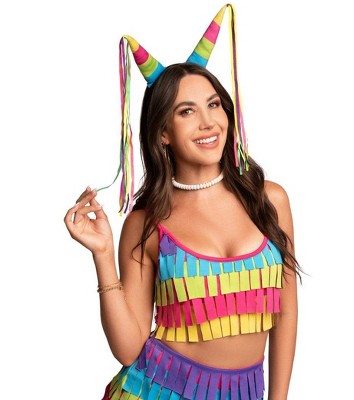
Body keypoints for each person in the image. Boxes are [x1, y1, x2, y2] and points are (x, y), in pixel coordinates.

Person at [64, 4, 300, 399]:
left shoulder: (269, 200)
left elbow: (286, 312)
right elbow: (129, 348)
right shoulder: (147, 223)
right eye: (186, 111)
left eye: (213, 104)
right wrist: (102, 255)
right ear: (163, 133)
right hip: (157, 390)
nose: (208, 122)